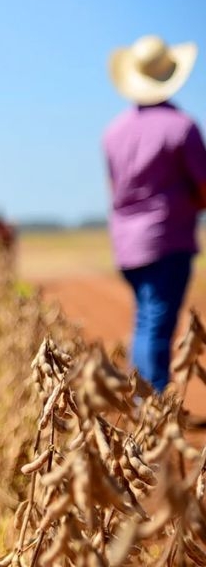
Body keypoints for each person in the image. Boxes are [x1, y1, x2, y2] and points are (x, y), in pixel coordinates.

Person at [104, 34, 205, 392]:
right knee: (157, 326)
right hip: (167, 239)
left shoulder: (114, 131)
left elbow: (116, 189)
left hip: (127, 244)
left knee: (145, 321)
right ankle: (152, 408)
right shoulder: (182, 127)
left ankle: (141, 400)